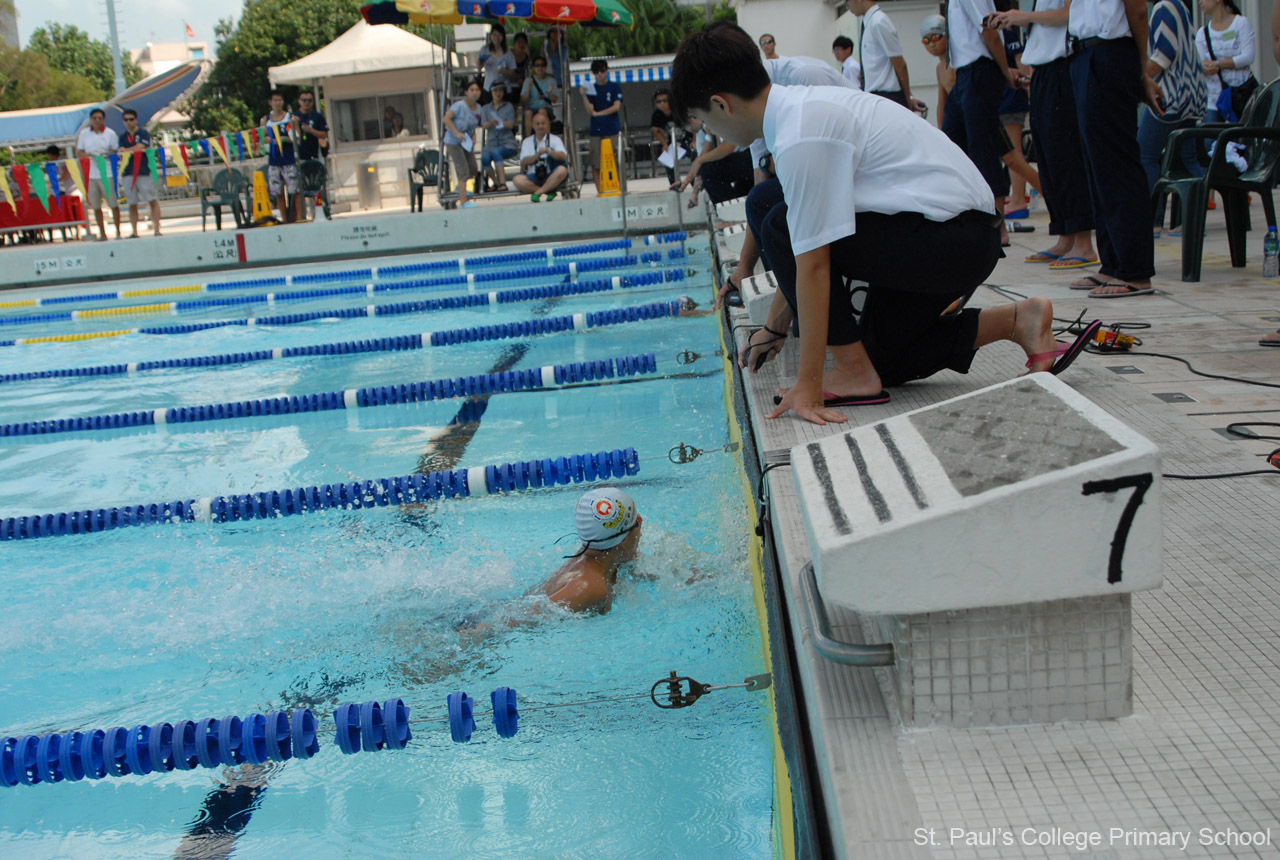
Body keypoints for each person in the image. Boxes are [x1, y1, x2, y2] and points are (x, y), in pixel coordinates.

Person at [672, 22, 1085, 426]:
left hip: (957, 238)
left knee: (777, 221)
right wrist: (776, 326)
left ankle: (852, 371)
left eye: (705, 120)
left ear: (722, 104)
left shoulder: (801, 134)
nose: (711, 131)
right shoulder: (796, 112)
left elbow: (812, 262)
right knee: (882, 360)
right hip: (951, 235)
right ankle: (1019, 320)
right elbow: (807, 247)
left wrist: (809, 383)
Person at [719, 55, 860, 308]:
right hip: (835, 174)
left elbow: (826, 158)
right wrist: (743, 267)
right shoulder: (752, 107)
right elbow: (759, 188)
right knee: (761, 203)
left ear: (723, 104)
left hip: (858, 177)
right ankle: (792, 303)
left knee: (778, 224)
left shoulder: (805, 77)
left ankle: (809, 307)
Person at [1065, 0, 1163, 298]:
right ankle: (1112, 262)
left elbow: (1138, 10)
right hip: (1084, 53)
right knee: (1097, 166)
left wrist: (1140, 67)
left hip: (1110, 52)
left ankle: (1135, 271)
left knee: (1117, 164)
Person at [988, 6, 1098, 270]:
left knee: (1067, 156)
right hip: (1043, 70)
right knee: (1049, 159)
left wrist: (1023, 17)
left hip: (1063, 65)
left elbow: (1071, 13)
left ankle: (1083, 240)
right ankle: (1065, 234)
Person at [944, 0, 1018, 247]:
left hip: (979, 70)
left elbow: (989, 29)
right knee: (952, 144)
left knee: (983, 148)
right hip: (964, 74)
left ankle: (997, 226)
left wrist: (1005, 71)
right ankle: (965, 213)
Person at [1140, 0, 1207, 235]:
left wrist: (1138, 77)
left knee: (1145, 156)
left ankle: (1151, 221)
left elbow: (1163, 57)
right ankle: (1193, 222)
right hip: (1192, 97)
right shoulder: (1181, 7)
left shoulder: (1164, 8)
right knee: (1187, 158)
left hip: (1170, 98)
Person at [536, 488, 642, 614]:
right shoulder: (590, 588)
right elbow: (519, 620)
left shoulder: (604, 554)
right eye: (637, 521)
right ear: (623, 539)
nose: (641, 523)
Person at [992, 0, 1041, 219]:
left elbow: (1020, 62)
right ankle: (1018, 195)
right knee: (1011, 152)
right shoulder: (1004, 33)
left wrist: (1026, 87)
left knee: (1014, 151)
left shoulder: (1006, 34)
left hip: (1011, 97)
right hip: (1007, 97)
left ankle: (1020, 198)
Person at [850, 0, 926, 109]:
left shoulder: (879, 22)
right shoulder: (868, 23)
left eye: (848, 2)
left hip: (887, 96)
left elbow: (900, 64)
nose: (849, 7)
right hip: (874, 96)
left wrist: (908, 98)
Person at [1196, 0, 1256, 123]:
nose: (1199, 2)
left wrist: (1218, 64)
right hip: (1214, 100)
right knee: (1209, 140)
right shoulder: (1202, 33)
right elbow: (1200, 62)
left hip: (1241, 95)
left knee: (1241, 138)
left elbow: (1248, 56)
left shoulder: (1241, 23)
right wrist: (1203, 67)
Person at [75, 107, 120, 241]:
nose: (97, 120)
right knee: (95, 206)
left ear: (103, 119)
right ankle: (103, 233)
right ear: (91, 120)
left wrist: (105, 155)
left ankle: (118, 232)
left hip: (107, 173)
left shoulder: (110, 133)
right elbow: (79, 152)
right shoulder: (84, 134)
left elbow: (115, 151)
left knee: (113, 204)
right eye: (94, 118)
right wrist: (89, 155)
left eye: (99, 118)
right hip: (91, 174)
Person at [582, 59, 625, 193]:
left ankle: (620, 188)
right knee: (596, 162)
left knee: (616, 160)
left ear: (607, 70)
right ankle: (600, 190)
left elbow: (616, 106)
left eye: (602, 71)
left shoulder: (614, 86)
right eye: (596, 72)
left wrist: (599, 113)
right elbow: (590, 110)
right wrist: (583, 94)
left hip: (612, 129)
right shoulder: (592, 88)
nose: (600, 74)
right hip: (596, 130)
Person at [117, 108, 161, 238]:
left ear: (136, 120)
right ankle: (134, 231)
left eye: (131, 119)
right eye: (126, 120)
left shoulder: (143, 133)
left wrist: (125, 150)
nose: (128, 122)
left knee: (152, 200)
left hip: (143, 170)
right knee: (132, 203)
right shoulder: (122, 136)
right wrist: (122, 151)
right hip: (128, 172)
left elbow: (140, 147)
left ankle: (157, 228)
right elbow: (120, 152)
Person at [261, 90, 302, 223]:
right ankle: (285, 219)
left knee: (294, 190)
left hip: (289, 158)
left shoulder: (290, 118)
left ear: (283, 102)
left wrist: (285, 138)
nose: (277, 103)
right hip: (274, 160)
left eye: (279, 100)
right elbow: (263, 138)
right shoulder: (265, 120)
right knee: (278, 192)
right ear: (270, 102)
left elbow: (297, 137)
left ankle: (300, 217)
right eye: (275, 100)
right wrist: (271, 140)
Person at [444, 79, 484, 209]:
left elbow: (473, 125)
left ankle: (458, 189)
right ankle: (463, 201)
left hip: (466, 142)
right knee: (463, 171)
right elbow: (446, 118)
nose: (474, 92)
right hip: (454, 142)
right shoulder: (459, 106)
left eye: (477, 90)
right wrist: (456, 133)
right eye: (471, 90)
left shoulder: (479, 109)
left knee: (472, 167)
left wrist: (474, 136)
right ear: (466, 92)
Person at [513, 108, 569, 201]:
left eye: (543, 123)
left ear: (548, 124)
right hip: (534, 176)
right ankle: (548, 191)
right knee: (517, 180)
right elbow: (524, 162)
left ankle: (538, 193)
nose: (540, 126)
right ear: (532, 125)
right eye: (538, 124)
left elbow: (563, 156)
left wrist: (549, 151)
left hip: (551, 174)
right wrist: (536, 156)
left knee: (562, 170)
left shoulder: (555, 139)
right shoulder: (527, 141)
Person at [480, 80, 518, 191]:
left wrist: (501, 122)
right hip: (491, 142)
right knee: (484, 157)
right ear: (491, 92)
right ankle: (496, 183)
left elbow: (511, 125)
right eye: (496, 90)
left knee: (497, 153)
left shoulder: (508, 106)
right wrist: (491, 122)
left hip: (507, 142)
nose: (498, 93)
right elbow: (483, 125)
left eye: (501, 90)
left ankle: (503, 183)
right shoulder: (485, 108)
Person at [44, 145, 83, 242]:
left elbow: (67, 171)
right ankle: (76, 233)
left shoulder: (62, 160)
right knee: (73, 212)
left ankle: (78, 233)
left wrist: (59, 180)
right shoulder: (59, 161)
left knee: (75, 211)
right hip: (69, 189)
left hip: (73, 189)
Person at [650, 89, 684, 184]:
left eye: (665, 100)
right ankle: (675, 183)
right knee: (668, 160)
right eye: (659, 102)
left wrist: (694, 140)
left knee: (695, 157)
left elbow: (694, 125)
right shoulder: (657, 115)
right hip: (673, 141)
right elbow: (656, 130)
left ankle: (695, 181)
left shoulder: (679, 110)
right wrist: (664, 144)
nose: (662, 104)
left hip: (688, 138)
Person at [479, 23, 516, 106]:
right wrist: (478, 62)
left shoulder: (508, 53)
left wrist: (504, 71)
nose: (496, 37)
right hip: (488, 87)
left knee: (504, 113)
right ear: (491, 36)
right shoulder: (485, 50)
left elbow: (513, 72)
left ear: (503, 37)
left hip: (504, 88)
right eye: (494, 34)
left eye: (499, 35)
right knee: (490, 113)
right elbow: (479, 67)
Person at [522, 55, 559, 137]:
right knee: (527, 112)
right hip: (531, 109)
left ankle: (547, 139)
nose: (540, 67)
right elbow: (524, 101)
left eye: (542, 65)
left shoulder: (551, 80)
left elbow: (555, 100)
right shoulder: (528, 81)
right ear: (533, 68)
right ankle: (528, 141)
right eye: (537, 65)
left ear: (545, 67)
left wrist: (550, 93)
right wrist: (528, 88)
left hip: (546, 108)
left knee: (542, 111)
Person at [294, 90, 329, 160]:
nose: (307, 102)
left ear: (312, 102)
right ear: (299, 101)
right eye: (304, 100)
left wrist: (310, 130)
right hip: (297, 155)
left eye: (309, 100)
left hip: (314, 155)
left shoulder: (318, 116)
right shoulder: (294, 116)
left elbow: (324, 135)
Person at [509, 32, 531, 113]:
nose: (521, 44)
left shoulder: (527, 58)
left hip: (520, 86)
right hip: (507, 84)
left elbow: (528, 74)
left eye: (524, 42)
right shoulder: (509, 56)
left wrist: (523, 81)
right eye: (519, 42)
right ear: (514, 44)